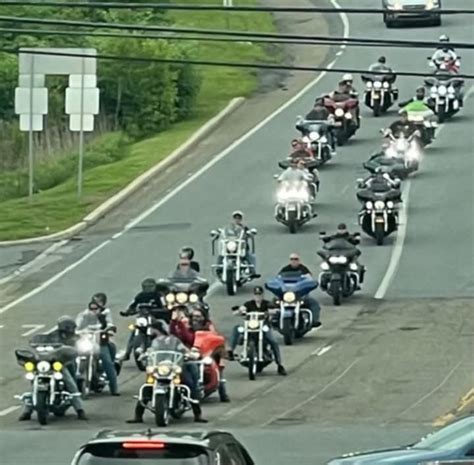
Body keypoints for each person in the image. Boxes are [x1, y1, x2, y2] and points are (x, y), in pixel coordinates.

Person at [126, 319, 207, 423]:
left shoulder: (174, 340)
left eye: (153, 329)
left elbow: (183, 349)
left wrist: (190, 354)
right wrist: (144, 355)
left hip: (173, 368)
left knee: (189, 385)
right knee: (148, 387)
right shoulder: (155, 342)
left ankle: (198, 414)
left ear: (159, 329)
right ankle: (138, 415)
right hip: (159, 368)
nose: (151, 332)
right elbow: (150, 351)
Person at [19, 316, 88, 421]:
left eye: (70, 328)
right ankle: (27, 411)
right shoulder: (52, 336)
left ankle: (80, 410)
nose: (69, 330)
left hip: (59, 364)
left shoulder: (75, 338)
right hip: (46, 363)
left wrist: (72, 351)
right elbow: (40, 342)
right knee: (34, 383)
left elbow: (76, 350)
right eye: (67, 328)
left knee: (70, 383)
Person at [170, 306, 230, 402]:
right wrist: (174, 322)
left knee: (215, 363)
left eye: (198, 316)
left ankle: (216, 387)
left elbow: (214, 337)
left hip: (204, 352)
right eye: (193, 316)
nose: (195, 319)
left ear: (203, 317)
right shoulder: (187, 327)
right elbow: (175, 335)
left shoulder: (208, 327)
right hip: (186, 355)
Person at [228, 286, 287, 376]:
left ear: (262, 295)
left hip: (263, 327)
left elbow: (274, 309)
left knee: (273, 341)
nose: (258, 296)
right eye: (256, 294)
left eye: (259, 294)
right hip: (250, 328)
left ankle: (279, 365)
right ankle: (230, 351)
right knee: (237, 329)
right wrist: (240, 311)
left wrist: (271, 311)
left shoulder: (266, 303)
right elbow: (241, 309)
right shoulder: (249, 304)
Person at [76, 293, 120, 396]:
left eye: (99, 302)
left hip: (100, 342)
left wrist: (109, 329)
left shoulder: (106, 313)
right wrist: (75, 331)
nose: (94, 309)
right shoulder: (84, 314)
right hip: (87, 341)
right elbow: (77, 325)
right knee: (74, 357)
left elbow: (110, 323)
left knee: (107, 361)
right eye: (92, 306)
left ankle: (114, 388)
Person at [120, 278, 165, 361]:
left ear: (154, 287)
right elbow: (132, 305)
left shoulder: (159, 296)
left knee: (166, 328)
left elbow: (165, 306)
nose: (148, 288)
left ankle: (167, 347)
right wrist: (127, 312)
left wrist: (158, 311)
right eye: (146, 286)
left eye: (150, 286)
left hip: (156, 318)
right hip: (142, 318)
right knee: (134, 330)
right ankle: (127, 353)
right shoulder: (140, 296)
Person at [278, 253, 321, 327]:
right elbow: (278, 279)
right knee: (273, 303)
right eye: (292, 259)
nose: (294, 261)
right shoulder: (285, 269)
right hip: (286, 295)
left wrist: (310, 284)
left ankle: (314, 321)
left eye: (296, 259)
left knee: (314, 304)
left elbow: (310, 279)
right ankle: (272, 321)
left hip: (300, 295)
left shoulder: (304, 269)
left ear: (299, 260)